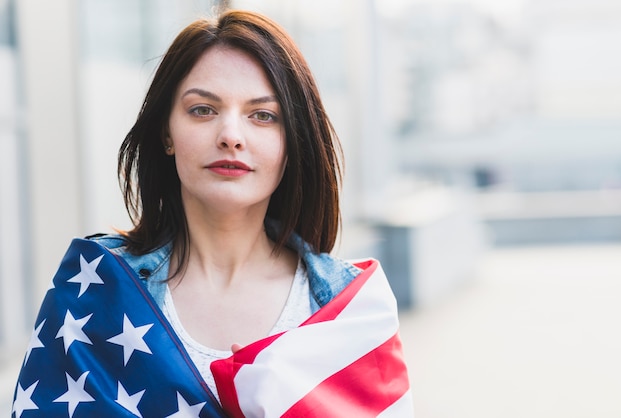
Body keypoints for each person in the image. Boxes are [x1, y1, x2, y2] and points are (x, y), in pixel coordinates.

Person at [12, 9, 413, 417]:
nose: (231, 137)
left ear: (292, 142)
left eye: (263, 115)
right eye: (203, 109)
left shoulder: (348, 311)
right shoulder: (94, 293)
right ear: (167, 133)